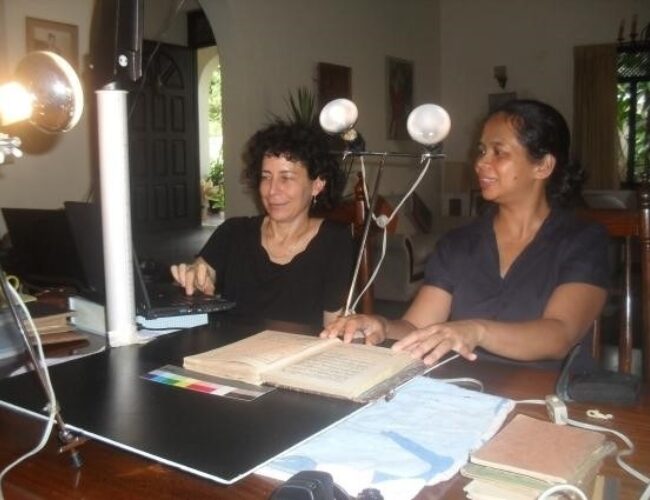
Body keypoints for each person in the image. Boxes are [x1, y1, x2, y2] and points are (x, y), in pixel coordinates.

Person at [322, 99, 609, 368]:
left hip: (547, 395)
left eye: (499, 152)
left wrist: (477, 331)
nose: (480, 163)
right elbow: (416, 327)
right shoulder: (458, 244)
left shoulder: (583, 241)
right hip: (469, 389)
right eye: (482, 151)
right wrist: (382, 326)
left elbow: (560, 335)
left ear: (543, 166)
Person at [171, 121, 353, 326]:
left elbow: (334, 326)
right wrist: (194, 281)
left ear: (317, 185)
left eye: (286, 178)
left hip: (298, 348)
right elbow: (201, 273)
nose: (272, 190)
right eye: (266, 177)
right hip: (229, 346)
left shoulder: (334, 241)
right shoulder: (234, 232)